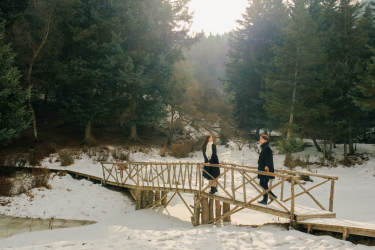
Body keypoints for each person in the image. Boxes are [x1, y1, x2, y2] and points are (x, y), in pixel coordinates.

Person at [257, 134, 277, 205]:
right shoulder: (265, 148)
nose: (260, 140)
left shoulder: (267, 148)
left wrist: (266, 166)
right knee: (264, 184)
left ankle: (272, 196)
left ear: (265, 140)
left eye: (261, 139)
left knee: (263, 184)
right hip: (263, 169)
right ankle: (266, 199)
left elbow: (269, 159)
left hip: (265, 170)